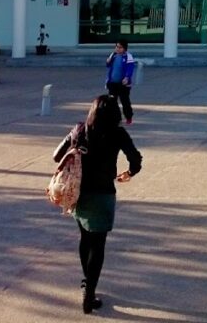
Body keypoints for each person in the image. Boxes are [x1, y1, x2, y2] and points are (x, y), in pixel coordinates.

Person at [53, 95, 142, 314]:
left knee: (85, 238)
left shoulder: (79, 130)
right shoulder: (118, 133)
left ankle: (87, 283)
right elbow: (136, 160)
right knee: (98, 245)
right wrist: (129, 173)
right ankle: (89, 293)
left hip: (79, 193)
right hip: (103, 194)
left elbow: (56, 156)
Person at [104, 40, 136, 124]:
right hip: (112, 83)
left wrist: (127, 77)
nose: (118, 49)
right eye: (117, 47)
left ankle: (128, 117)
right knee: (112, 102)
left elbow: (130, 68)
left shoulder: (128, 56)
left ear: (124, 48)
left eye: (120, 47)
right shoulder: (113, 55)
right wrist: (108, 61)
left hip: (123, 84)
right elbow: (108, 65)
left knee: (125, 101)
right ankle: (115, 118)